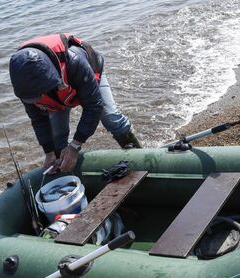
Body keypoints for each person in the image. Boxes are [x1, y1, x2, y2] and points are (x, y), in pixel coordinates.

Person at [9, 33, 141, 173]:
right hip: (59, 93)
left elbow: (93, 106)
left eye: (40, 95)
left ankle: (139, 157)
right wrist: (48, 152)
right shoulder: (24, 83)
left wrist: (75, 145)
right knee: (57, 139)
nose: (38, 101)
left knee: (111, 118)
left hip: (87, 76)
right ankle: (67, 174)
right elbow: (38, 119)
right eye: (34, 98)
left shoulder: (74, 61)